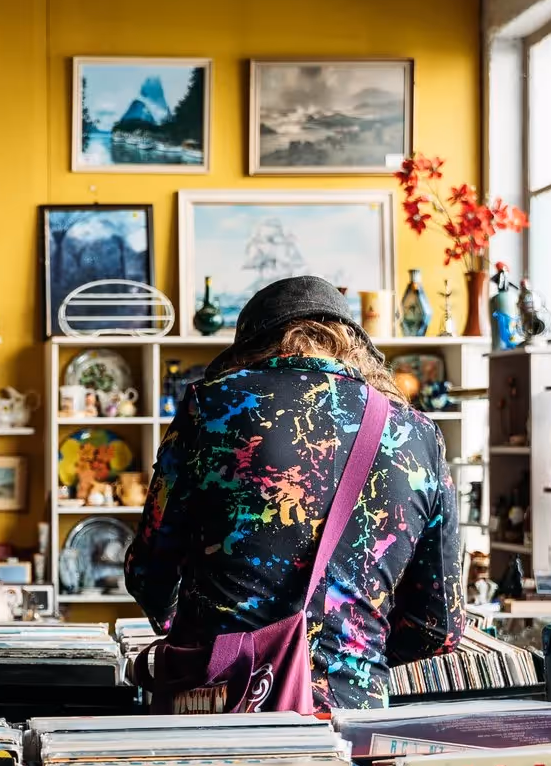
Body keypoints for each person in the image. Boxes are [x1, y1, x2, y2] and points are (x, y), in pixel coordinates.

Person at [126, 275, 464, 711]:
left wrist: (197, 627)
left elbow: (149, 577)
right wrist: (350, 657)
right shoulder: (418, 434)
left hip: (216, 703)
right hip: (351, 716)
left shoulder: (209, 409)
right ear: (354, 346)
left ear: (249, 350)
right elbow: (440, 629)